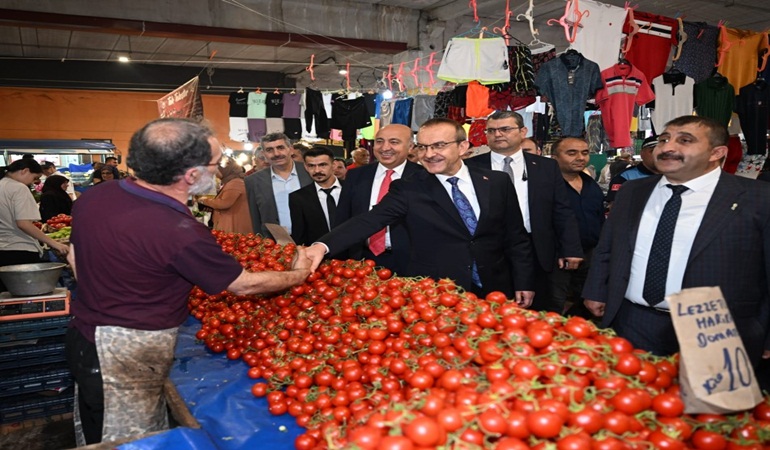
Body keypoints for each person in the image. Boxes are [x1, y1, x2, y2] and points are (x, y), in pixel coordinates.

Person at [65, 118, 312, 446]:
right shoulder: (177, 230)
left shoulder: (96, 197)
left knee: (96, 426)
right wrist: (300, 273)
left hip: (84, 335)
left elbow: (73, 258)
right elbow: (243, 285)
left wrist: (108, 293)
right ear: (191, 175)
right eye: (215, 162)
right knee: (131, 439)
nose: (218, 169)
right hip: (128, 356)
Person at [582, 115, 770, 387]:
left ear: (717, 153)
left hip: (717, 329)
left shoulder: (757, 198)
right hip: (633, 319)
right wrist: (597, 289)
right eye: (664, 139)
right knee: (632, 408)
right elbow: (609, 246)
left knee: (711, 417)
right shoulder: (633, 191)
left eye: (685, 140)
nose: (667, 147)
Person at [307, 118, 535, 303]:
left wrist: (524, 281)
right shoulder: (409, 188)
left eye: (439, 145)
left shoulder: (496, 182)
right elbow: (369, 220)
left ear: (463, 147)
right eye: (424, 147)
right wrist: (322, 246)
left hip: (495, 288)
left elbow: (516, 237)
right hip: (438, 292)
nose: (429, 154)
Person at [465, 110, 583, 312]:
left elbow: (561, 210)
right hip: (489, 247)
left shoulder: (546, 167)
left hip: (536, 245)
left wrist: (571, 248)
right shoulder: (471, 167)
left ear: (523, 131)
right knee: (492, 307)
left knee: (537, 307)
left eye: (505, 129)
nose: (498, 134)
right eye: (491, 130)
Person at [334, 124, 423, 274]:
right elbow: (343, 218)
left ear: (410, 147)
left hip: (410, 262)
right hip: (361, 260)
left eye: (394, 142)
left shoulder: (423, 177)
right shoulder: (356, 175)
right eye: (380, 141)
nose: (385, 147)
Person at [549, 138, 605, 316]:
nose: (580, 158)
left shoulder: (590, 184)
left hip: (590, 254)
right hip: (558, 257)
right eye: (571, 153)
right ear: (554, 157)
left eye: (585, 153)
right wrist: (561, 250)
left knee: (590, 300)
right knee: (554, 303)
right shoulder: (546, 186)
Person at [0, 159, 69, 291]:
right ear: (25, 171)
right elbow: (23, 223)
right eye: (34, 178)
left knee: (6, 298)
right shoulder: (19, 188)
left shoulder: (2, 185)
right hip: (19, 250)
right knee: (27, 295)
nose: (33, 182)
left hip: (3, 249)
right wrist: (55, 244)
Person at [244, 133, 312, 236]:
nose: (276, 154)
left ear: (291, 149)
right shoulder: (253, 181)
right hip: (274, 243)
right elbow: (255, 217)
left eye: (280, 148)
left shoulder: (310, 172)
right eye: (269, 150)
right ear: (264, 154)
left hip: (312, 241)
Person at [289, 147, 342, 246]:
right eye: (311, 166)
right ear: (305, 167)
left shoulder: (351, 189)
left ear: (333, 165)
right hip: (319, 257)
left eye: (322, 165)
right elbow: (299, 236)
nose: (317, 170)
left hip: (355, 256)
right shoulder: (298, 197)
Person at [197, 157, 252, 234]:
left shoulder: (235, 183)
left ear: (226, 170)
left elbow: (224, 203)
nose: (215, 173)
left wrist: (204, 201)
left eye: (217, 170)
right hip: (232, 223)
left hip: (233, 226)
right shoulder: (233, 181)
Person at [606, 135, 658, 206]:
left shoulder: (673, 177)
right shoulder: (624, 177)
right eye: (652, 151)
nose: (658, 155)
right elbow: (615, 208)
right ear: (642, 153)